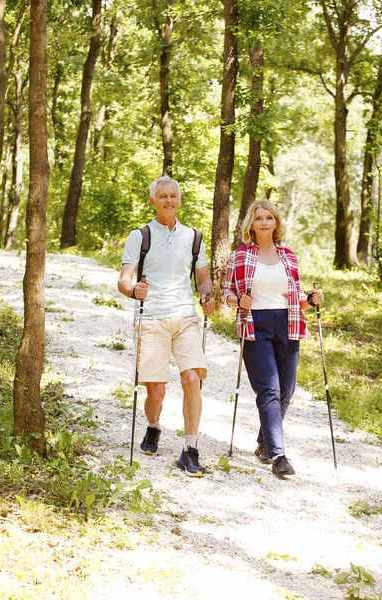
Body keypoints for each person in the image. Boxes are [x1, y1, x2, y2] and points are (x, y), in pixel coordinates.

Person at [117, 176, 215, 477]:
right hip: (152, 319)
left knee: (191, 379)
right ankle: (153, 427)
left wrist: (207, 295)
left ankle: (190, 449)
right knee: (156, 392)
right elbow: (123, 280)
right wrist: (133, 290)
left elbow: (203, 279)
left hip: (186, 316)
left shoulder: (194, 237)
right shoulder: (140, 236)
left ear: (180, 200)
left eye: (173, 196)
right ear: (153, 201)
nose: (168, 201)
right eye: (162, 196)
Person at [222, 200, 324, 478]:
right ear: (251, 225)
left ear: (276, 222)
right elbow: (226, 293)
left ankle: (264, 443)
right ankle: (279, 456)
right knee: (268, 390)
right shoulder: (239, 256)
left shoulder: (289, 257)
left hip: (287, 325)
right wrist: (236, 301)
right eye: (259, 218)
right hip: (255, 325)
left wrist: (311, 300)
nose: (264, 222)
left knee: (285, 392)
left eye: (269, 218)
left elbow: (297, 299)